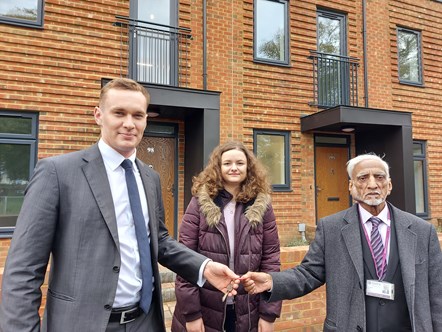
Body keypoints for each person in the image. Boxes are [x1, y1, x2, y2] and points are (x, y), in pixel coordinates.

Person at [0, 78, 239, 332]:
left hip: (144, 322)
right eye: (119, 113)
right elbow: (24, 269)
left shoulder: (150, 177)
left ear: (146, 120)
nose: (129, 123)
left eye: (138, 115)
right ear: (98, 115)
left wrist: (204, 267)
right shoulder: (57, 173)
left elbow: (159, 241)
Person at [242, 153, 442, 332]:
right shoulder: (332, 228)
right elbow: (309, 273)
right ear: (351, 187)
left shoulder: (422, 231)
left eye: (379, 177)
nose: (372, 184)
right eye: (363, 178)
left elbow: (437, 292)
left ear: (389, 185)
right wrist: (272, 281)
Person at [171, 141, 282, 332]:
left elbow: (271, 260)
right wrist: (192, 314)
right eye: (227, 163)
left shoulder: (262, 205)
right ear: (218, 167)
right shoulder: (200, 203)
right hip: (205, 307)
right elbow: (185, 260)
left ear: (248, 167)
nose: (234, 168)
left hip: (248, 309)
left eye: (240, 163)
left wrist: (268, 313)